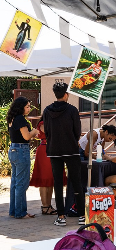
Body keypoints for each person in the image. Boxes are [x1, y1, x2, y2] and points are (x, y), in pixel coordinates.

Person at [43, 82, 85, 226]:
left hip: (54, 150)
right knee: (76, 181)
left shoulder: (47, 110)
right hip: (71, 150)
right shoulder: (72, 110)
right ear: (66, 94)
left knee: (58, 183)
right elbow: (77, 132)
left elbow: (46, 131)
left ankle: (61, 216)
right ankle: (82, 216)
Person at [7, 96, 39, 219]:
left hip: (13, 149)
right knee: (22, 183)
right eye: (27, 106)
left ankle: (14, 210)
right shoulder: (20, 118)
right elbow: (26, 136)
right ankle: (20, 212)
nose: (29, 109)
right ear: (20, 107)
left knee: (15, 182)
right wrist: (34, 132)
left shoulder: (12, 118)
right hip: (21, 150)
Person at [30, 116, 67, 215]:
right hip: (45, 150)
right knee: (44, 179)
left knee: (51, 179)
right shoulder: (43, 123)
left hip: (52, 149)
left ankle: (48, 205)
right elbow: (51, 133)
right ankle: (45, 206)